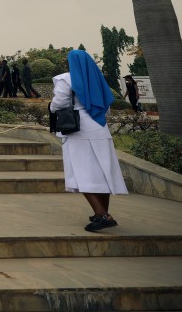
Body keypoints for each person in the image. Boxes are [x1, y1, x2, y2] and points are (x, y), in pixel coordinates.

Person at [50, 50, 128, 232]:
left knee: (81, 173)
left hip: (79, 130)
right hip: (100, 128)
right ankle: (103, 212)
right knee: (101, 173)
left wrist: (51, 107)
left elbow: (59, 103)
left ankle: (102, 215)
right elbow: (106, 107)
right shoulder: (97, 80)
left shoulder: (66, 79)